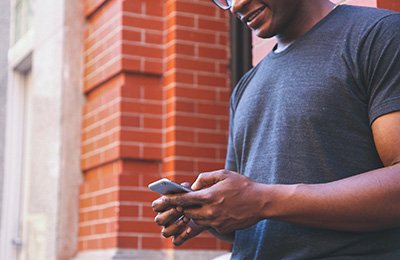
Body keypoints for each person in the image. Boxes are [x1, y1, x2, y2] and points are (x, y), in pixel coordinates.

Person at [152, 0, 400, 258]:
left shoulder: (380, 35)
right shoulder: (246, 86)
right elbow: (249, 213)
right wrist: (209, 212)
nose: (236, 5)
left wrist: (262, 200)